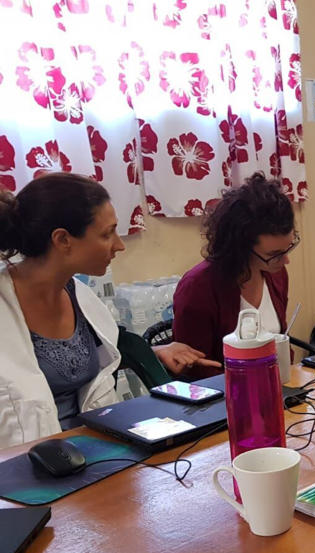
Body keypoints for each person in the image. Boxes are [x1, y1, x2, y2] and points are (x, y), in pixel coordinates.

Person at [0, 172, 218, 449]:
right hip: (22, 470)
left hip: (91, 451)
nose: (119, 245)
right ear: (63, 239)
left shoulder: (80, 297)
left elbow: (95, 357)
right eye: (107, 233)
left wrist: (152, 353)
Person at [173, 172, 297, 377]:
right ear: (239, 248)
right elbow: (194, 372)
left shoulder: (275, 273)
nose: (285, 261)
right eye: (274, 255)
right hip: (223, 399)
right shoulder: (198, 287)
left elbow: (281, 346)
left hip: (275, 389)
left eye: (288, 249)